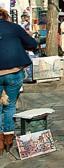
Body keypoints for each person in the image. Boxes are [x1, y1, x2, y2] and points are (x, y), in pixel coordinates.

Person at [0, 8, 37, 154]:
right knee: (9, 106)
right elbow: (32, 44)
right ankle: (8, 138)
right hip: (13, 72)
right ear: (5, 17)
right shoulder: (14, 28)